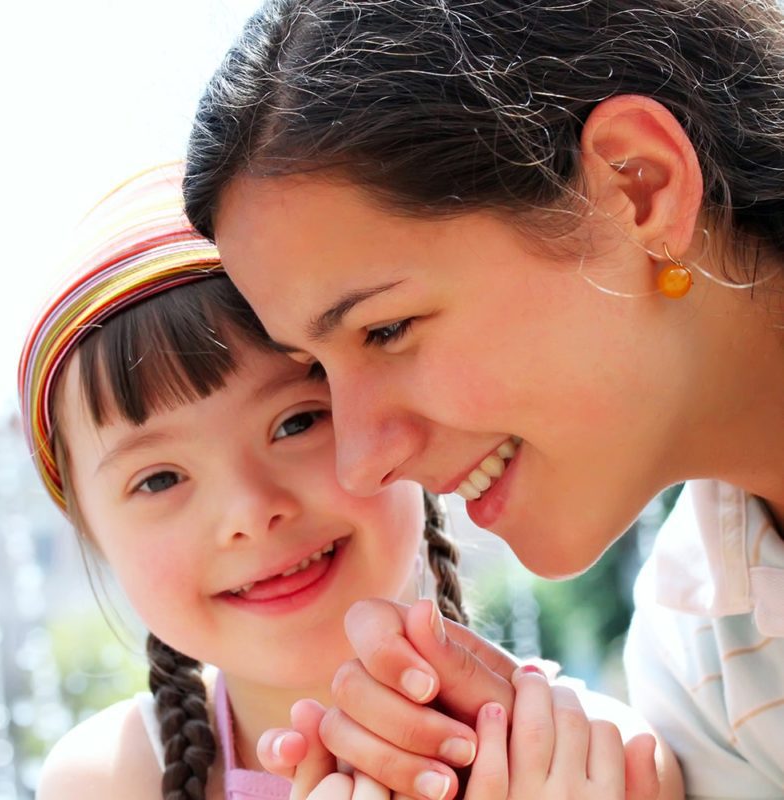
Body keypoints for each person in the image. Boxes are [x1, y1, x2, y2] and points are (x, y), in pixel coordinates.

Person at [181, 1, 784, 798]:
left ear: (638, 188)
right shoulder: (700, 651)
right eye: (317, 376)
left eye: (387, 329)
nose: (361, 461)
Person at [21, 163, 668, 800]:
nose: (250, 509)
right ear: (95, 536)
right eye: (159, 479)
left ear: (392, 428)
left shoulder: (587, 760)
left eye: (298, 423)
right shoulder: (108, 779)